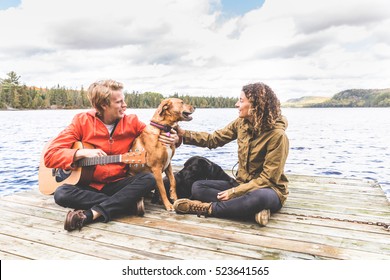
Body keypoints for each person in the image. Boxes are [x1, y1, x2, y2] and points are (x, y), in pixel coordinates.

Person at [44, 79, 177, 232]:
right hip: (89, 186)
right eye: (119, 102)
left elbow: (156, 135)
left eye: (124, 100)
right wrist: (80, 153)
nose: (125, 105)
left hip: (119, 184)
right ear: (103, 105)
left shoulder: (132, 122)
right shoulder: (82, 121)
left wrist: (174, 137)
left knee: (149, 179)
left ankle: (91, 214)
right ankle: (128, 204)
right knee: (61, 193)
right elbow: (50, 155)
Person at [173, 82, 289, 226]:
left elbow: (267, 179)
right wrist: (184, 134)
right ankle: (248, 209)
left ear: (255, 105)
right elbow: (214, 139)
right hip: (240, 184)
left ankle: (209, 208)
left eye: (241, 101)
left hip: (268, 189)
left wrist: (234, 192)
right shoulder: (241, 123)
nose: (236, 104)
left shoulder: (277, 136)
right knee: (198, 187)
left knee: (259, 198)